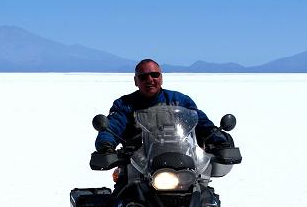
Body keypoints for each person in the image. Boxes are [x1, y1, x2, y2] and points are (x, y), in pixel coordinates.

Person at [95, 59, 231, 154]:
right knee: (124, 189)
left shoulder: (180, 100)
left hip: (182, 160)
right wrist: (106, 145)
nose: (150, 80)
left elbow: (201, 123)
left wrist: (217, 139)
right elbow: (113, 125)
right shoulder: (125, 104)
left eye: (154, 75)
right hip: (138, 165)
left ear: (161, 77)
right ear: (136, 81)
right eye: (143, 77)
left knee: (204, 192)